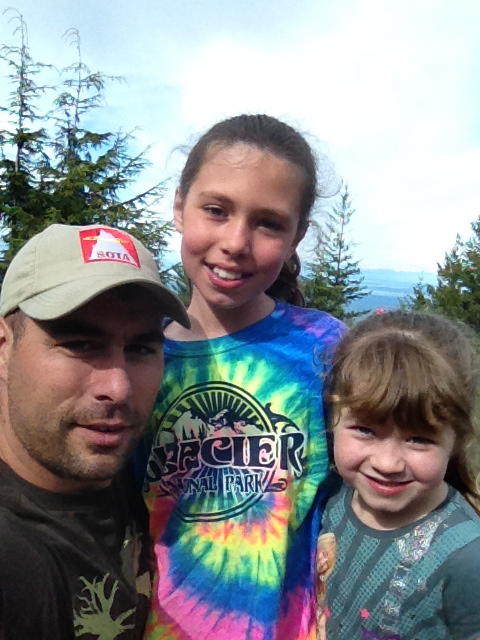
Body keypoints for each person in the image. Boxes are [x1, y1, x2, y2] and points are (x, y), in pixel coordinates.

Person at [137, 114, 345, 640]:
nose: (235, 241)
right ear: (179, 206)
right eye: (216, 210)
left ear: (297, 236)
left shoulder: (325, 349)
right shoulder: (138, 357)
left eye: (268, 223)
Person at [0, 223, 189, 639]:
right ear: (3, 346)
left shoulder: (145, 476)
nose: (118, 388)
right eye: (80, 344)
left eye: (141, 349)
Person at [320, 310, 480, 640]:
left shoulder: (467, 557)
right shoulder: (327, 495)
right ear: (333, 419)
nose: (388, 463)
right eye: (365, 430)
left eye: (419, 438)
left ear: (457, 438)